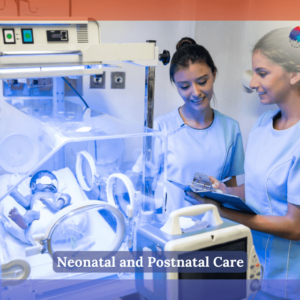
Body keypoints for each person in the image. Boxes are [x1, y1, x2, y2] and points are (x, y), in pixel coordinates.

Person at [187, 28, 300, 298]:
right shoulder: (264, 124)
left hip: (288, 278)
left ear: (295, 74)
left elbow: (295, 227)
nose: (253, 82)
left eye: (262, 73)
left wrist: (222, 212)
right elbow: (258, 191)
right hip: (255, 266)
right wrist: (222, 192)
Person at [154, 37, 244, 214]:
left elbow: (230, 186)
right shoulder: (161, 128)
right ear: (176, 85)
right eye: (184, 86)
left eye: (202, 82)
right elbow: (146, 183)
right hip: (173, 228)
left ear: (214, 74)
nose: (195, 92)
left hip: (215, 227)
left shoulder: (231, 128)